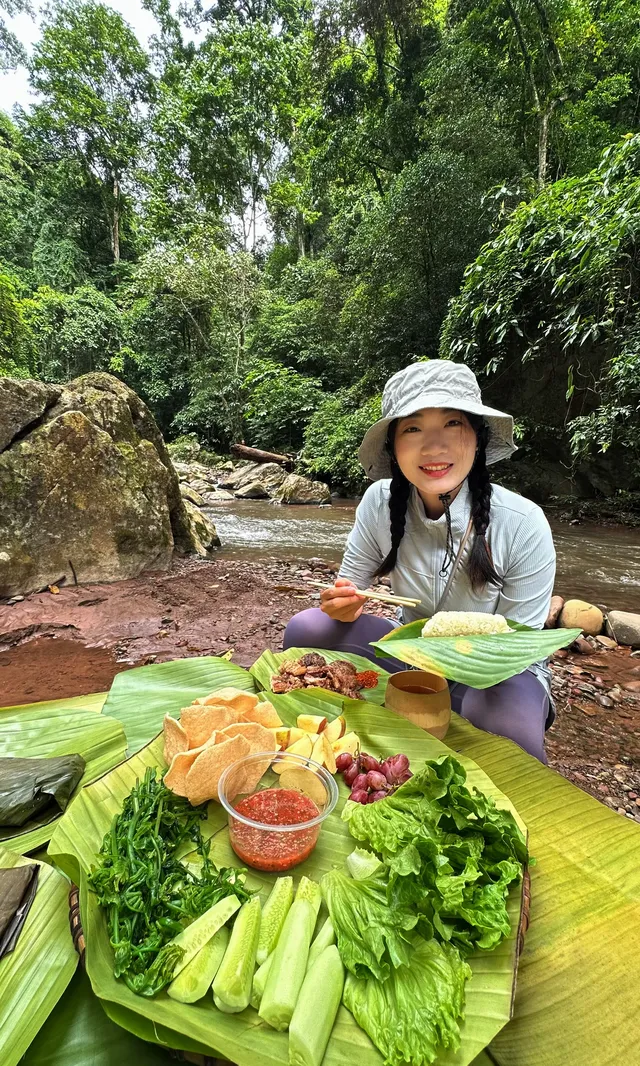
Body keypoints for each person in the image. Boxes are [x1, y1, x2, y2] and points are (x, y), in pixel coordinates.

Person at [283, 360, 556, 763]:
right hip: (410, 650)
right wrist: (340, 604)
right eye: (412, 428)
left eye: (452, 424)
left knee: (511, 737)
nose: (433, 446)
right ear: (393, 446)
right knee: (307, 628)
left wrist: (452, 671)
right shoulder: (379, 502)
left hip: (494, 670)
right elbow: (345, 591)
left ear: (477, 438)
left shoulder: (522, 523)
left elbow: (517, 649)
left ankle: (456, 716)